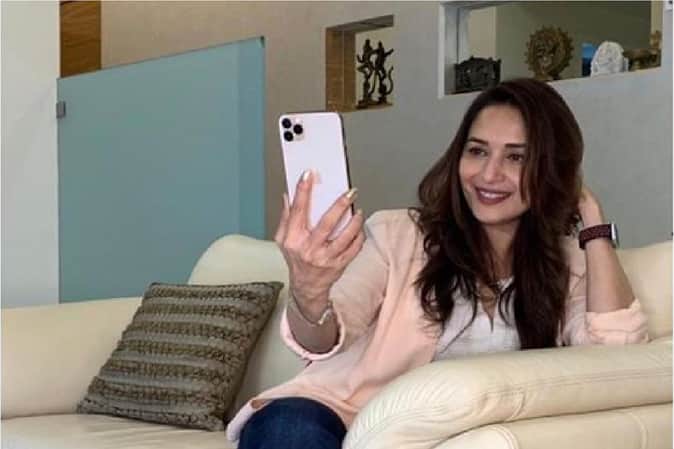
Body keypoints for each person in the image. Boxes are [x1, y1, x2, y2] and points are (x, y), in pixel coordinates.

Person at [227, 78, 649, 448]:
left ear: (552, 169)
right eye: (477, 151)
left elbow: (614, 361)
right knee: (288, 428)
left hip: (456, 440)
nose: (488, 174)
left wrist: (592, 218)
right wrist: (309, 290)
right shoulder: (397, 234)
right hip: (345, 420)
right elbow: (324, 338)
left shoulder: (568, 263)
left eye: (516, 157)